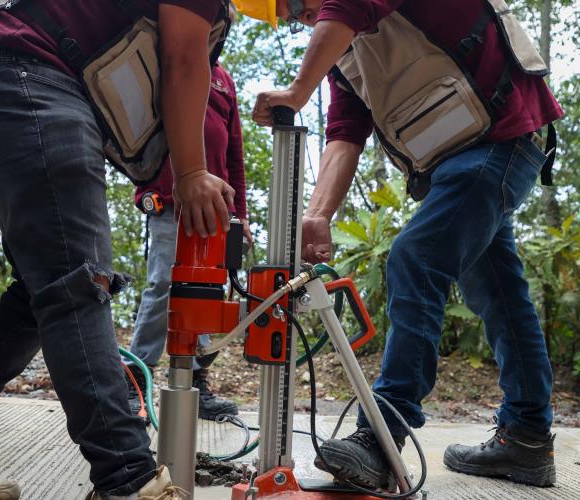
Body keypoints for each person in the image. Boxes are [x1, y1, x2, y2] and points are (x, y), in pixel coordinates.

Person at [0, 1, 234, 499]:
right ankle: (129, 483)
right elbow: (182, 59)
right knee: (77, 282)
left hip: (18, 69)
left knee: (46, 284)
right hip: (19, 67)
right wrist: (192, 173)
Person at [239, 0, 562, 490]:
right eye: (286, 16)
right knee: (499, 294)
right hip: (453, 164)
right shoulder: (345, 56)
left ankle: (381, 438)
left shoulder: (350, 10)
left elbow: (345, 5)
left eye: (294, 4)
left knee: (416, 257)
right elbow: (346, 131)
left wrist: (295, 90)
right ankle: (527, 439)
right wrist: (318, 213)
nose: (297, 17)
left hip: (500, 135)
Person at [126, 60, 252, 421]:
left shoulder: (224, 79)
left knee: (207, 291)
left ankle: (196, 382)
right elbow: (137, 133)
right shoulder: (162, 57)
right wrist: (147, 189)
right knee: (164, 283)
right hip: (170, 201)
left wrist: (239, 214)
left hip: (217, 204)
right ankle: (136, 380)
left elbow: (234, 153)